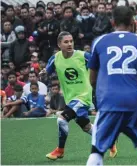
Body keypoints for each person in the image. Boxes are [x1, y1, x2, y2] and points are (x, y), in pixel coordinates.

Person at [86, 6, 137, 166]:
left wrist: (100, 92)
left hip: (110, 101)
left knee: (97, 152)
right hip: (134, 101)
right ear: (133, 22)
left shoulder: (99, 42)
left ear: (112, 22)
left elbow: (92, 77)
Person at [40, 31, 117, 160]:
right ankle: (110, 141)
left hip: (83, 96)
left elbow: (99, 65)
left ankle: (60, 150)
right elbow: (48, 70)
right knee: (85, 126)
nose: (69, 44)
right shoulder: (55, 58)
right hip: (70, 98)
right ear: (59, 44)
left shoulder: (83, 56)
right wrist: (43, 72)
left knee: (61, 119)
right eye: (66, 42)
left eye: (71, 41)